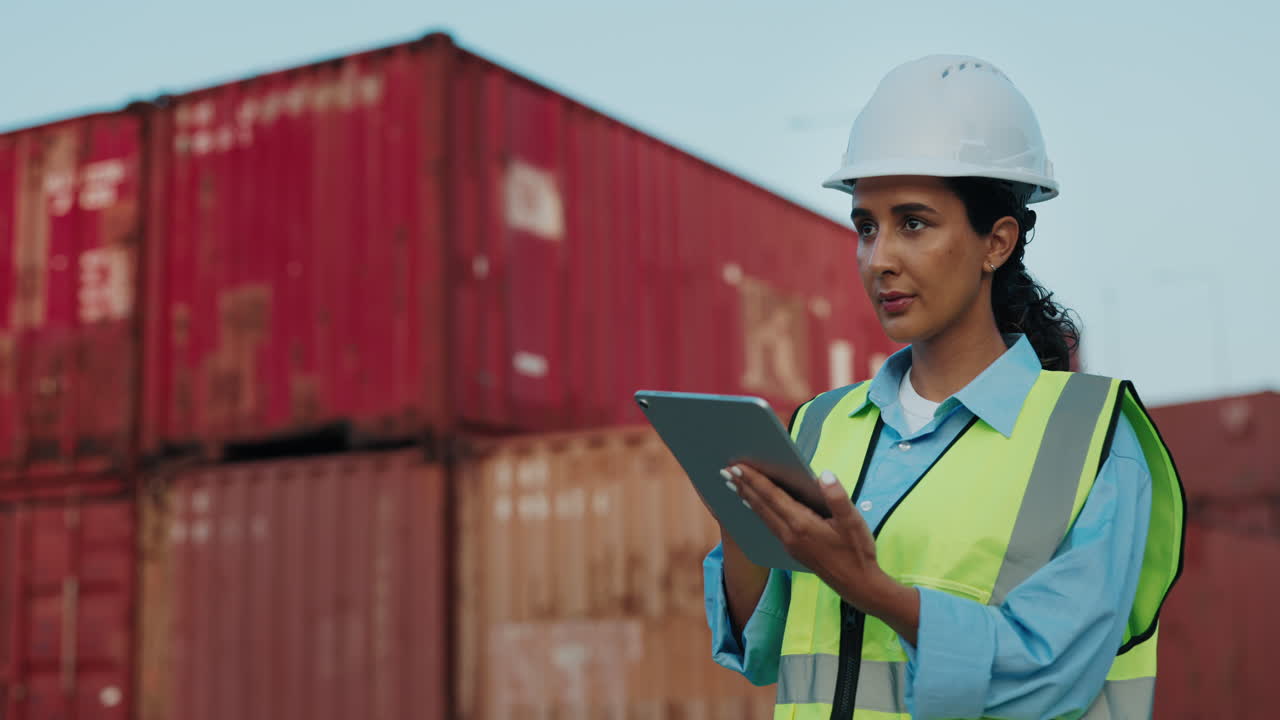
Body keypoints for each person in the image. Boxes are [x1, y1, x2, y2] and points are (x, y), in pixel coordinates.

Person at [703, 55, 1185, 720]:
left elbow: (1050, 678)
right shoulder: (819, 425)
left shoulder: (1093, 440)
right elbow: (762, 652)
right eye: (865, 227)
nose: (880, 259)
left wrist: (871, 588)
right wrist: (740, 524)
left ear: (998, 242)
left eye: (914, 223)